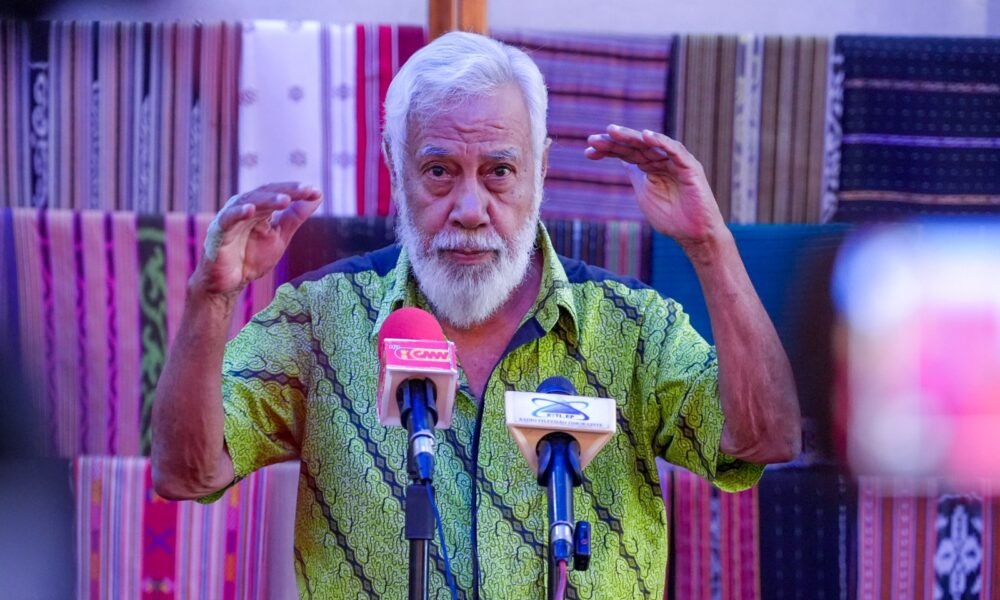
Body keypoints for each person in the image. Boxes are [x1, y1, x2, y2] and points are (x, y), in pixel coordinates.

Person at [152, 31, 800, 598]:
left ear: (540, 170)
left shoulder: (631, 328)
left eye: (499, 172)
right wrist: (212, 297)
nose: (468, 208)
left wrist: (709, 246)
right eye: (439, 171)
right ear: (394, 167)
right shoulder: (317, 320)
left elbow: (764, 439)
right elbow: (186, 472)